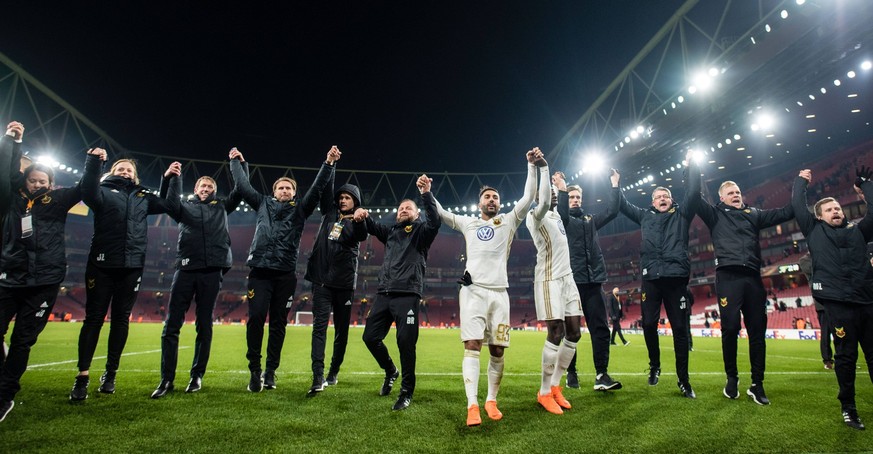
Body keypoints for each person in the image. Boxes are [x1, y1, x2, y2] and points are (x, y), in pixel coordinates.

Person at [435, 147, 543, 426]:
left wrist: (531, 166)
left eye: (495, 197)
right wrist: (426, 193)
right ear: (479, 202)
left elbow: (529, 197)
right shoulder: (468, 223)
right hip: (472, 292)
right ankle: (472, 405)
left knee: (497, 350)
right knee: (472, 345)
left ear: (499, 203)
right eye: (487, 196)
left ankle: (491, 400)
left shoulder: (507, 221)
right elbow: (443, 214)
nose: (492, 199)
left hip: (499, 294)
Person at [70, 150, 177, 401]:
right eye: (121, 169)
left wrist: (167, 178)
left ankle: (110, 374)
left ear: (135, 176)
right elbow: (87, 190)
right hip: (102, 264)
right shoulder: (101, 191)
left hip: (132, 266)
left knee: (121, 320)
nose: (126, 172)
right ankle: (82, 377)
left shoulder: (143, 197)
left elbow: (169, 204)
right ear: (111, 172)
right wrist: (95, 162)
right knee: (93, 319)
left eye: (129, 170)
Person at [687, 156, 794, 405]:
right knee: (731, 328)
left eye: (738, 192)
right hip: (728, 277)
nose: (736, 195)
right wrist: (692, 168)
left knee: (758, 331)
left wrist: (799, 185)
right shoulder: (714, 215)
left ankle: (757, 384)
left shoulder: (754, 214)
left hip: (753, 279)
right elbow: (693, 196)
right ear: (721, 197)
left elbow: (786, 213)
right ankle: (732, 378)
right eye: (730, 192)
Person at [232, 146, 339, 392]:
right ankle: (254, 371)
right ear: (274, 191)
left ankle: (270, 372)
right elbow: (243, 186)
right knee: (256, 319)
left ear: (293, 193)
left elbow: (316, 189)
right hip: (259, 272)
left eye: (288, 188)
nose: (284, 190)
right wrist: (236, 162)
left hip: (284, 274)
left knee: (278, 323)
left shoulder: (301, 209)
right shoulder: (261, 204)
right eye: (280, 187)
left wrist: (329, 163)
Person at [149, 152, 244, 399]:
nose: (206, 188)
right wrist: (172, 178)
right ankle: (166, 379)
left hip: (212, 270)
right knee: (172, 325)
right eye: (202, 185)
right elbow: (168, 202)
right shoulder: (184, 207)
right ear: (195, 188)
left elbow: (241, 188)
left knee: (204, 325)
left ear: (215, 190)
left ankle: (196, 376)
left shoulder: (223, 206)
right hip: (185, 269)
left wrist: (239, 163)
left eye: (210, 186)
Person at [0, 140, 82, 422]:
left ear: (51, 183)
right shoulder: (11, 199)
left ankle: (5, 395)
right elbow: (5, 174)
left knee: (23, 340)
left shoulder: (56, 202)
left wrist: (94, 162)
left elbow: (83, 189)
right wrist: (12, 141)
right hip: (10, 277)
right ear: (24, 180)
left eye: (42, 180)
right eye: (33, 180)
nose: (37, 184)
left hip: (44, 280)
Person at [793, 167, 873, 430]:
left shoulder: (859, 232)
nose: (836, 211)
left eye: (837, 208)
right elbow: (797, 204)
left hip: (866, 302)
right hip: (838, 305)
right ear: (818, 217)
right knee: (846, 358)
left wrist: (865, 186)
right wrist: (801, 182)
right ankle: (849, 408)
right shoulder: (814, 232)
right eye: (829, 209)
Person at [358, 174, 440, 411]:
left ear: (417, 214)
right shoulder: (391, 232)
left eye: (409, 208)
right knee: (370, 338)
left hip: (407, 293)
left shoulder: (422, 232)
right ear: (397, 214)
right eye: (401, 208)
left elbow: (435, 221)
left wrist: (425, 194)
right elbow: (372, 226)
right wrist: (364, 214)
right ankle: (390, 371)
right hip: (384, 293)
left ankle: (406, 392)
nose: (404, 209)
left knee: (405, 343)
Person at [617, 179, 696, 397]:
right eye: (659, 197)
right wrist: (615, 184)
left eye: (666, 196)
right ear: (652, 202)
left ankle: (684, 380)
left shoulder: (681, 214)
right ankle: (655, 365)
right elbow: (622, 205)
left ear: (672, 200)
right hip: (650, 278)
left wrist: (689, 170)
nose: (663, 199)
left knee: (680, 329)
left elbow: (694, 191)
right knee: (649, 324)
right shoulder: (645, 216)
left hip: (675, 279)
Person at [553, 169, 622, 392]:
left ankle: (601, 374)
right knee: (570, 329)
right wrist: (561, 189)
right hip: (571, 282)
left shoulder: (590, 220)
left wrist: (614, 184)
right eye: (572, 197)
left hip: (593, 282)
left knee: (600, 328)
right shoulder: (561, 220)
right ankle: (570, 372)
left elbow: (612, 210)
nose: (575, 201)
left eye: (578, 198)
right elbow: (561, 214)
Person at [304, 163, 367, 396]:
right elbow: (327, 190)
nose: (342, 200)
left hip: (343, 285)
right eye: (341, 197)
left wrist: (360, 219)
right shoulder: (329, 214)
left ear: (356, 202)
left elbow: (361, 235)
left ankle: (333, 372)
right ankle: (317, 376)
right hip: (321, 282)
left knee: (341, 332)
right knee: (319, 329)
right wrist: (330, 164)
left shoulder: (359, 222)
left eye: (348, 198)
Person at [526, 166, 580, 415]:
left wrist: (561, 183)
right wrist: (544, 170)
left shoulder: (557, 216)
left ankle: (557, 386)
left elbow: (557, 199)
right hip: (548, 279)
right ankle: (544, 391)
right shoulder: (535, 215)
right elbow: (546, 198)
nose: (554, 196)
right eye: (549, 194)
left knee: (575, 333)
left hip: (568, 278)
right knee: (555, 332)